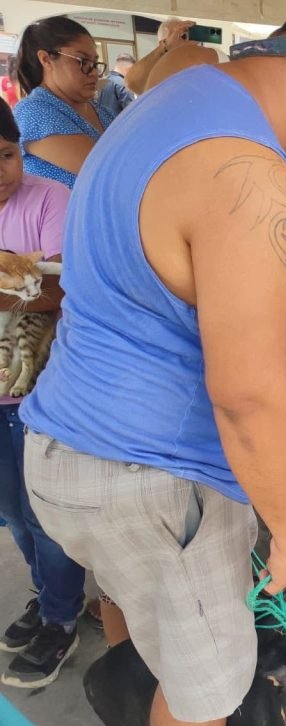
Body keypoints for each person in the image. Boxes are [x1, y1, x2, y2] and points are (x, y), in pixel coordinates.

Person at [19, 3, 286, 726]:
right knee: (207, 692)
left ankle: (147, 701)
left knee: (146, 623)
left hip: (67, 444)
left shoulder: (173, 99)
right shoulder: (248, 172)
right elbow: (249, 394)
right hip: (154, 480)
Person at [0, 101, 84, 690]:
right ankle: (44, 593)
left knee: (44, 511)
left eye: (6, 156)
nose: (0, 172)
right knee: (11, 510)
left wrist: (18, 281)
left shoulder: (51, 199)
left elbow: (56, 292)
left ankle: (61, 617)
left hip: (39, 391)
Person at [12, 16, 114, 188]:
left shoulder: (103, 112)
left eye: (94, 63)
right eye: (83, 61)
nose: (94, 73)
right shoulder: (33, 112)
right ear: (46, 59)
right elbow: (108, 170)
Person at [125, 19, 218, 95]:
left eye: (187, 33)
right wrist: (167, 47)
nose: (186, 40)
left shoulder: (202, 59)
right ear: (163, 41)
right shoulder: (156, 68)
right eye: (181, 36)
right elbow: (133, 83)